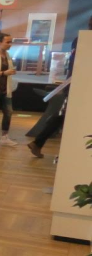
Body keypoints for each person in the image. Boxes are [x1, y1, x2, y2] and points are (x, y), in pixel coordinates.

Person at [28, 15, 89, 158]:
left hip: (77, 85)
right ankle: (40, 143)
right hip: (79, 86)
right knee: (63, 117)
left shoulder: (80, 39)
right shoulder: (84, 40)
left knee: (63, 117)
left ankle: (39, 143)